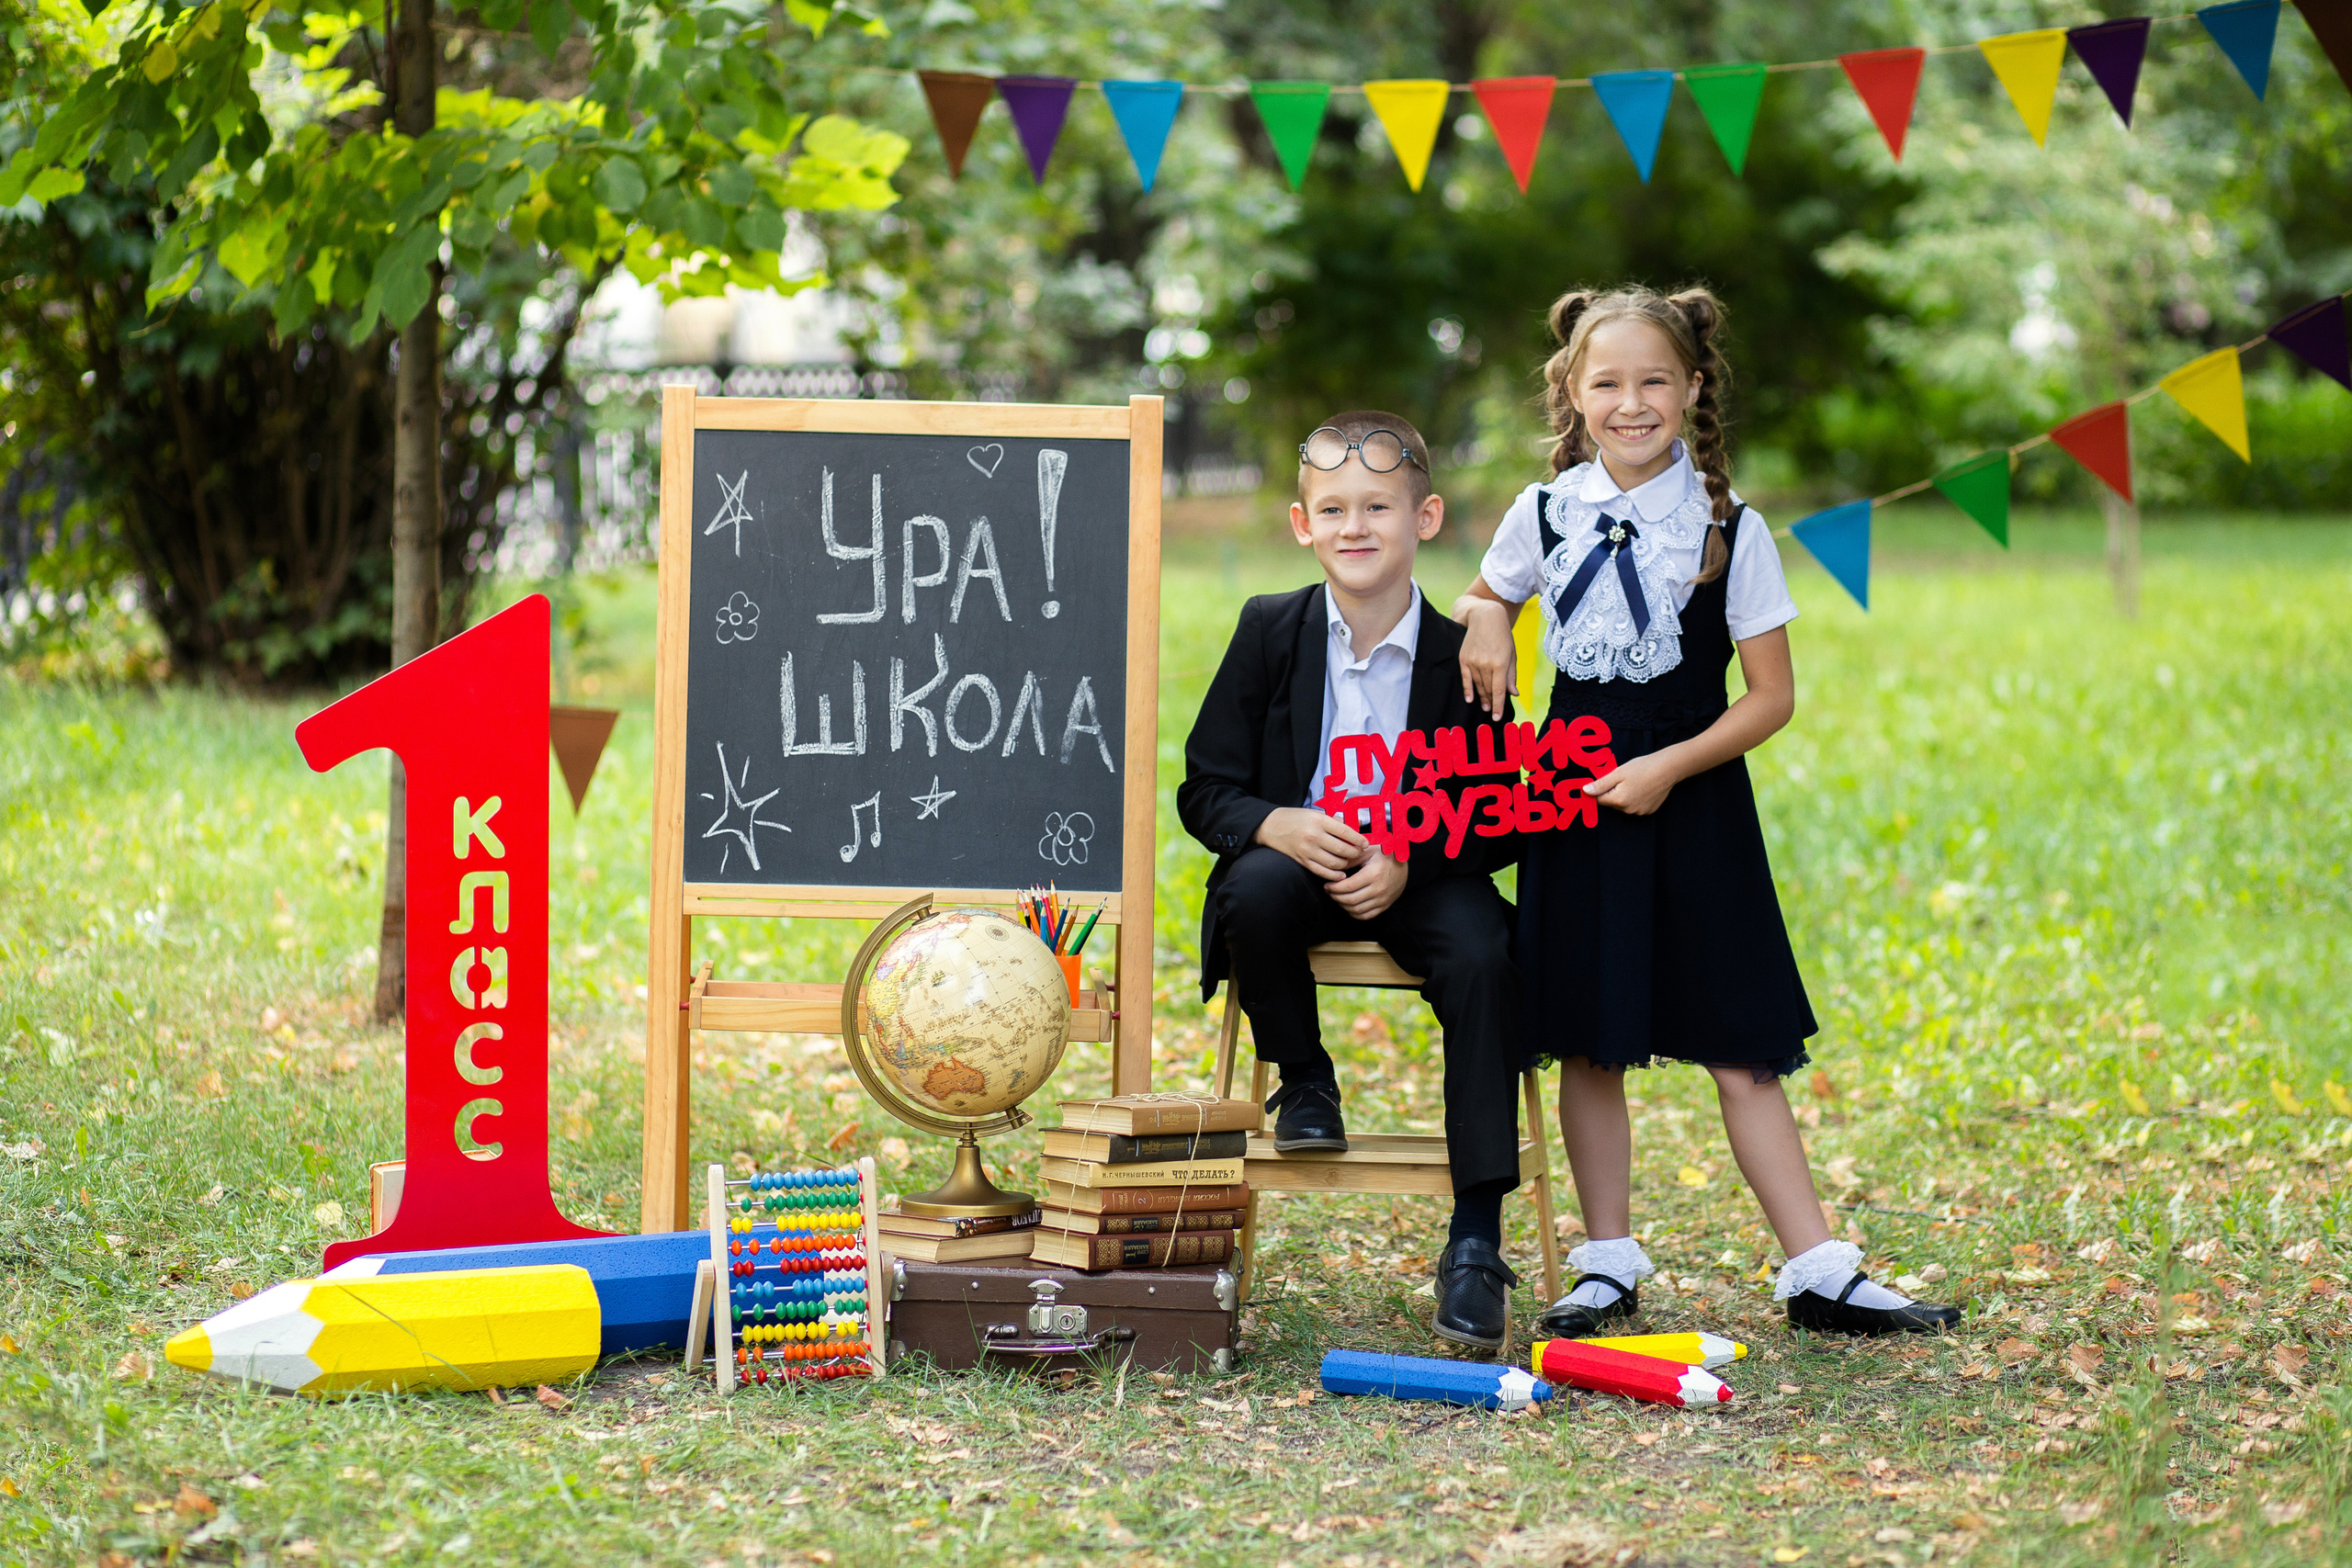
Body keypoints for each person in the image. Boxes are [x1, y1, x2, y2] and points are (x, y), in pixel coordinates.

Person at [1450, 287, 1961, 1337]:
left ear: (1690, 389)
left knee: (1741, 1041)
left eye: (1652, 382)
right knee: (1590, 1039)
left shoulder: (1730, 526)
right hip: (1574, 800)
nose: (1630, 403)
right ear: (1572, 393)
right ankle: (1604, 1265)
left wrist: (1669, 769)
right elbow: (1482, 592)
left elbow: (1771, 698)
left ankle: (1818, 1271)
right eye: (1607, 384)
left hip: (1694, 806)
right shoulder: (1543, 511)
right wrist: (1489, 616)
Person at [1180, 412, 1528, 1353]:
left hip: (1426, 866)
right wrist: (1274, 822)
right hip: (1300, 863)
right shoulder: (1269, 629)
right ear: (1302, 524)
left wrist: (1414, 851)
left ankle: (1474, 1240)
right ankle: (1305, 1081)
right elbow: (1203, 785)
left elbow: (1503, 811)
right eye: (1332, 508)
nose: (1354, 526)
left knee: (1487, 954)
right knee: (1247, 888)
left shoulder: (1468, 653)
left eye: (1377, 505)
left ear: (1424, 517)